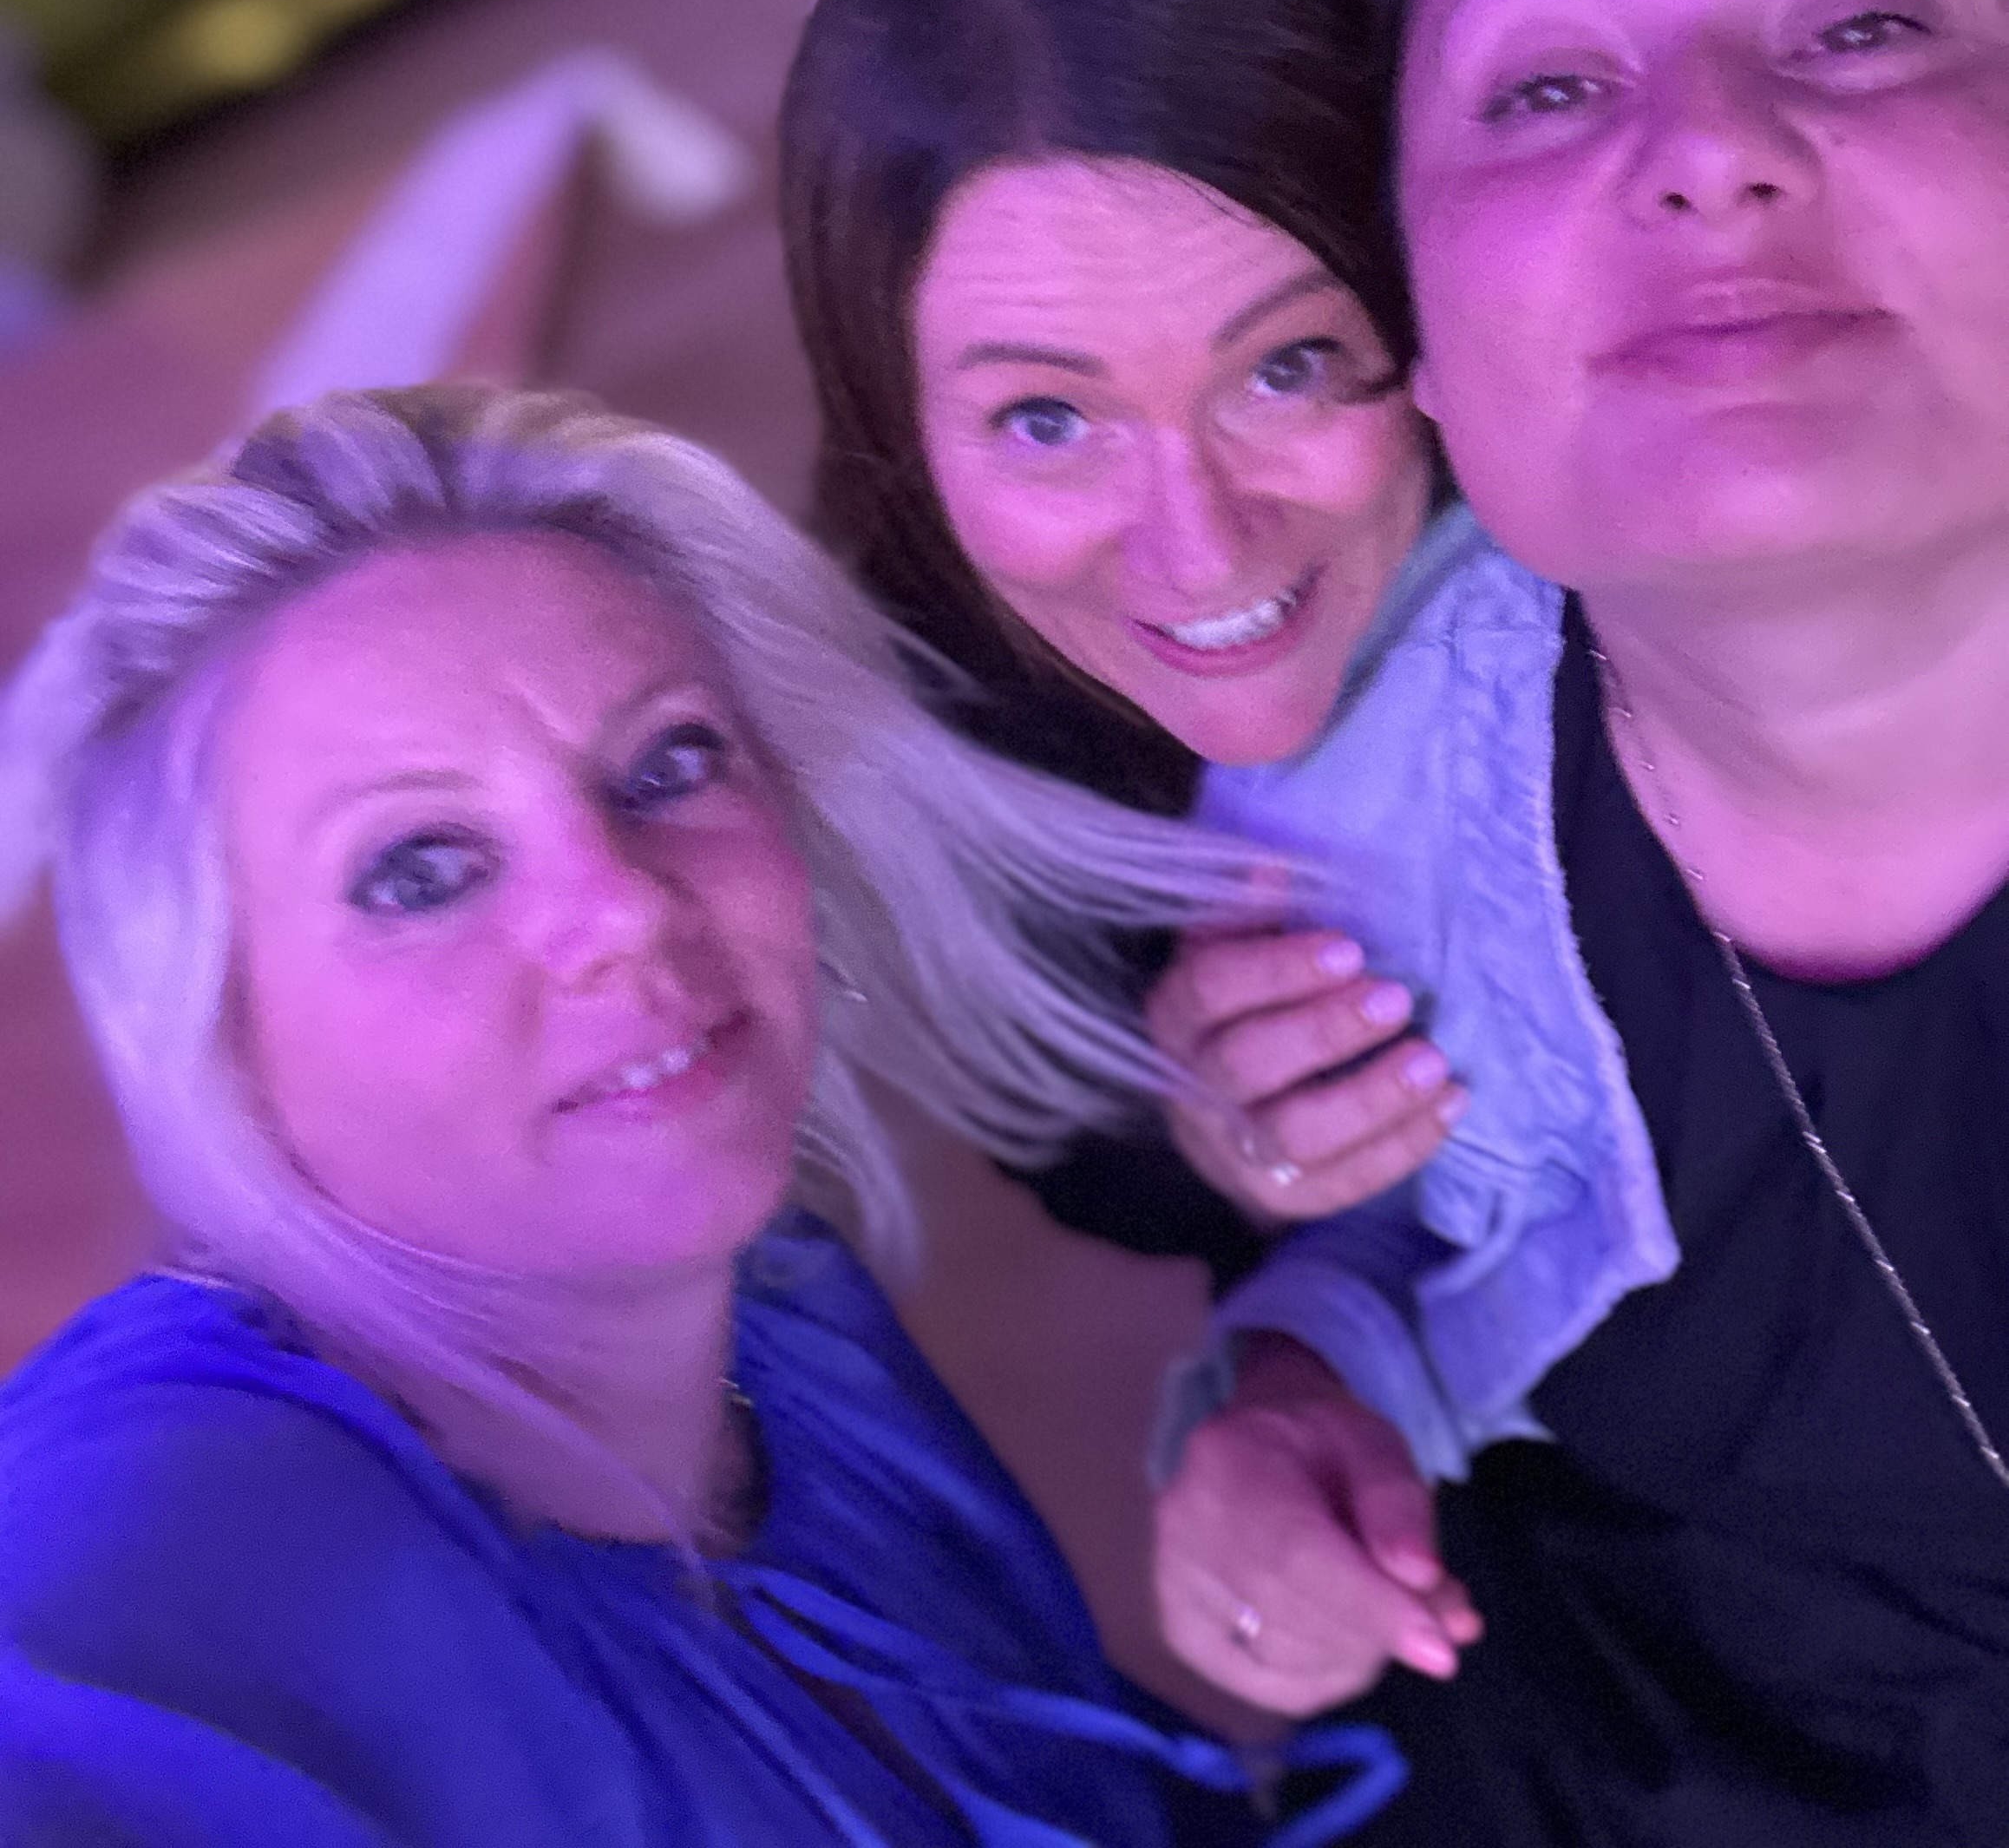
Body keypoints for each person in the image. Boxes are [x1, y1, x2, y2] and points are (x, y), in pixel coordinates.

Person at [0, 384, 1404, 1848]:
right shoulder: (135, 1578)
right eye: (419, 870)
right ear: (222, 1039)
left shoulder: (786, 1335)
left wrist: (1313, 1360)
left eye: (667, 767)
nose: (624, 905)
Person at [1153, 0, 2009, 1844]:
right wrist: (1286, 1402)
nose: (1711, 148)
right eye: (1543, 85)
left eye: (1866, 23)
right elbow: (1410, 1264)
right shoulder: (1346, 832)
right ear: (1419, 341)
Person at [781, 0, 1473, 1276]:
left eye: (1287, 368)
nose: (1199, 549)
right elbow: (1072, 1150)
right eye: (1048, 420)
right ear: (898, 420)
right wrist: (1197, 1129)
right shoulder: (918, 704)